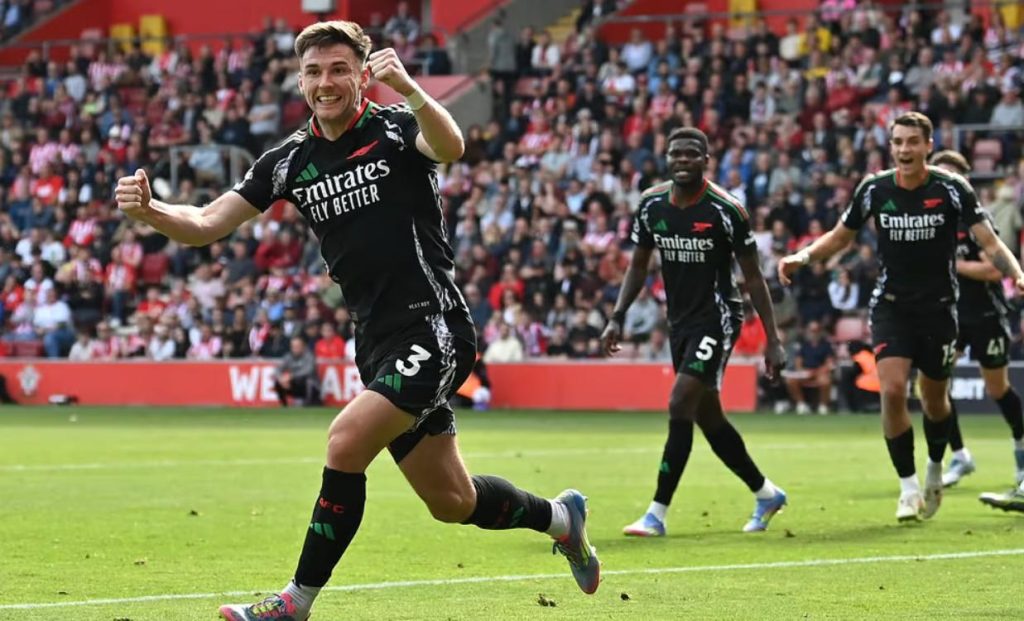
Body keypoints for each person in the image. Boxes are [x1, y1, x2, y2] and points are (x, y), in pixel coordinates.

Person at [115, 21, 599, 621]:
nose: (326, 82)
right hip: (374, 342)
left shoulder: (396, 127)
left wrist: (412, 90)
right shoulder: (288, 161)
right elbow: (207, 223)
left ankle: (295, 602)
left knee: (345, 441)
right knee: (452, 501)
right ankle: (561, 518)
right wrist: (153, 211)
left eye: (339, 69)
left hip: (434, 327)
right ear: (300, 80)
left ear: (363, 75)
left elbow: (451, 147)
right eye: (314, 72)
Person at [778, 112, 1024, 523]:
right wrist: (802, 257)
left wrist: (1017, 273)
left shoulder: (952, 189)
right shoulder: (874, 189)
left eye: (912, 141)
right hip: (891, 306)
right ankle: (908, 489)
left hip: (940, 310)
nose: (904, 149)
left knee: (935, 401)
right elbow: (840, 237)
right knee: (892, 391)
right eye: (898, 142)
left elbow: (990, 242)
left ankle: (935, 468)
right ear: (890, 146)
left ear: (928, 145)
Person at [601, 127, 789, 537]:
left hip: (718, 319)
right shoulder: (651, 204)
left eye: (691, 154)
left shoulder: (726, 210)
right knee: (707, 415)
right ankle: (766, 493)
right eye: (676, 154)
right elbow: (638, 265)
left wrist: (773, 340)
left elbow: (754, 278)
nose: (682, 160)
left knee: (679, 401)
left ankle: (656, 513)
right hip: (680, 323)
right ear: (667, 158)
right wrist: (617, 315)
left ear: (706, 160)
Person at [928, 150, 1024, 490]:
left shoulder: (975, 221)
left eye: (951, 176)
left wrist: (954, 266)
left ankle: (1021, 454)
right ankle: (960, 456)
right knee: (934, 387)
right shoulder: (931, 223)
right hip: (950, 316)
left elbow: (993, 270)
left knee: (997, 388)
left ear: (963, 181)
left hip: (985, 314)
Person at [782, 320, 835, 415]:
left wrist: (816, 372)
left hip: (819, 372)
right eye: (811, 331)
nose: (814, 333)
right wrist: (802, 371)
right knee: (790, 381)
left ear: (820, 332)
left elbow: (829, 363)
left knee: (825, 381)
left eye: (816, 330)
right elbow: (798, 361)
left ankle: (823, 406)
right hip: (805, 372)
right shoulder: (804, 346)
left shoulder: (826, 345)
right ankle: (801, 404)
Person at [274, 336, 323, 406]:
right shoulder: (288, 357)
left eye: (297, 346)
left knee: (308, 381)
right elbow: (278, 369)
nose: (295, 348)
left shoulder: (309, 356)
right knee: (278, 382)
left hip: (311, 386)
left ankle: (309, 404)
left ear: (303, 346)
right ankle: (284, 406)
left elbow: (308, 371)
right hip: (296, 384)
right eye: (293, 346)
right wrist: (281, 379)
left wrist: (292, 376)